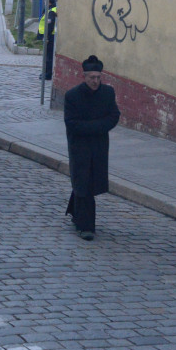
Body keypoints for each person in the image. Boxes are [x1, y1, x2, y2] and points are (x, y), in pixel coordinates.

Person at [63, 55, 121, 241]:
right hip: (79, 146)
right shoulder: (72, 96)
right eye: (92, 78)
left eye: (98, 77)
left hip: (99, 147)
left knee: (87, 182)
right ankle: (86, 227)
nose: (95, 81)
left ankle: (75, 211)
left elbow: (114, 115)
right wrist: (96, 127)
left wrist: (97, 127)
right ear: (84, 77)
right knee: (83, 184)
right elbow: (71, 123)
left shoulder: (107, 93)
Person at [39, 0, 57, 80]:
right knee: (46, 56)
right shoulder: (48, 10)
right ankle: (45, 72)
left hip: (50, 36)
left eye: (46, 0)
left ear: (49, 2)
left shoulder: (52, 11)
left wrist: (47, 37)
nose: (45, 1)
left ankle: (48, 74)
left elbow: (50, 25)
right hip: (47, 35)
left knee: (49, 57)